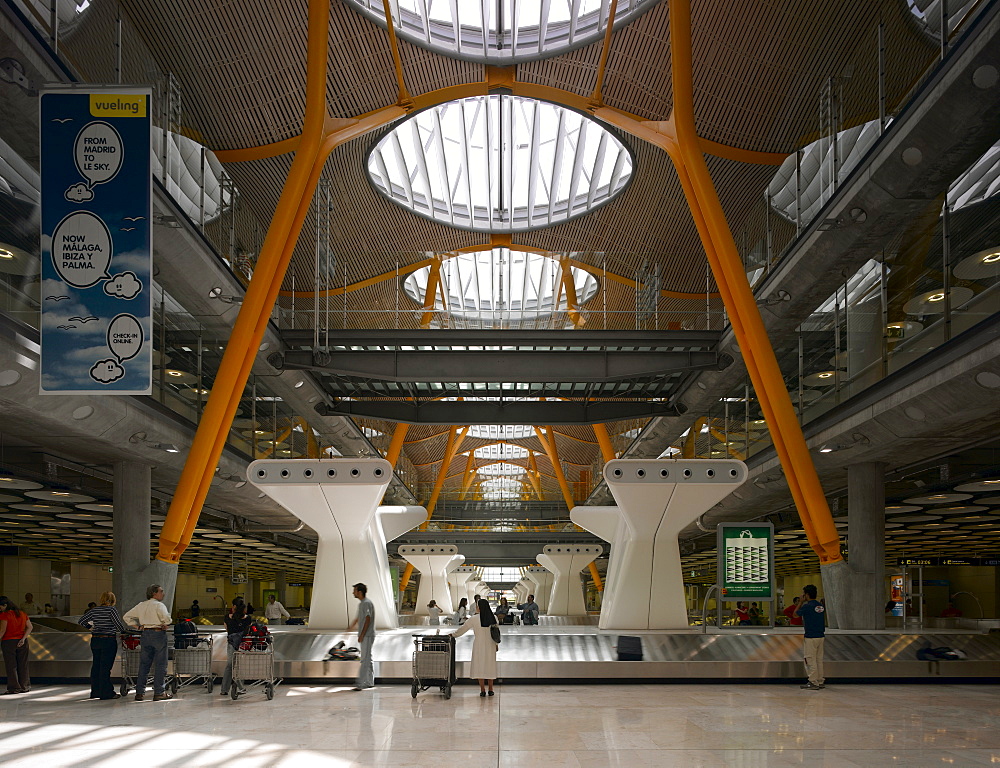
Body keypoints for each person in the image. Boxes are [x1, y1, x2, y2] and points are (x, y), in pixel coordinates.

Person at [122, 584, 172, 701]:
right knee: (160, 664)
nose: (163, 594)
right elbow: (167, 619)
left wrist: (138, 627)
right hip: (158, 634)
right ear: (154, 593)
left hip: (145, 635)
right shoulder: (159, 606)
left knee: (144, 664)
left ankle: (140, 692)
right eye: (161, 591)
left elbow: (126, 617)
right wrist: (165, 623)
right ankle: (159, 692)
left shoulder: (141, 605)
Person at [78, 591, 128, 700]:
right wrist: (124, 631)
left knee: (96, 666)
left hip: (95, 640)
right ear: (112, 600)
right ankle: (106, 692)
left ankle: (95, 691)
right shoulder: (111, 610)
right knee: (105, 667)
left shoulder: (94, 610)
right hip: (108, 640)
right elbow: (117, 623)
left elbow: (81, 621)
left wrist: (91, 628)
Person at [452, 597, 498, 696]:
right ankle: (491, 689)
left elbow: (462, 629)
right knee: (490, 666)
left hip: (479, 645)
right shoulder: (494, 618)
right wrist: (496, 645)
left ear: (480, 607)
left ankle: (482, 690)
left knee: (479, 666)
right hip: (491, 645)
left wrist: (453, 635)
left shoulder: (474, 619)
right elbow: (496, 633)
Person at [795, 584, 826, 690]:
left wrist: (800, 602)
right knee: (818, 660)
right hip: (820, 636)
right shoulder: (820, 606)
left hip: (811, 636)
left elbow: (795, 614)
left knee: (810, 659)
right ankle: (820, 680)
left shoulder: (807, 606)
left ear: (806, 595)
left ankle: (813, 681)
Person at [0, 596, 32, 694]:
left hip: (8, 642)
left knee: (11, 665)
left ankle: (14, 688)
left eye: (0, 606)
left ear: (5, 605)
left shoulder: (4, 615)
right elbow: (30, 627)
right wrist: (23, 638)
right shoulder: (22, 613)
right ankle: (25, 686)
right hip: (22, 642)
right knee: (23, 664)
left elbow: (2, 631)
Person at [347, 582, 375, 691]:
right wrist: (351, 628)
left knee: (364, 659)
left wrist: (362, 634)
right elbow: (359, 618)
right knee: (368, 658)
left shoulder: (366, 603)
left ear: (360, 592)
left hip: (367, 635)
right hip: (366, 635)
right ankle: (369, 681)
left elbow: (368, 619)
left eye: (354, 591)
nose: (353, 593)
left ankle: (361, 683)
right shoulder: (362, 603)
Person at [220, 602, 251, 696]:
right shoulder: (248, 618)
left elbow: (227, 629)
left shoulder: (227, 617)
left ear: (234, 607)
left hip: (231, 643)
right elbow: (248, 630)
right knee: (240, 665)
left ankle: (224, 689)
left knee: (229, 665)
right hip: (243, 644)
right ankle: (241, 687)